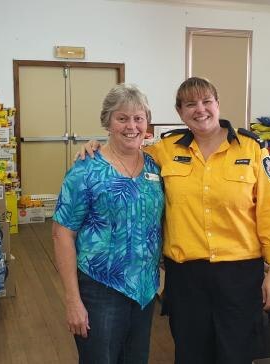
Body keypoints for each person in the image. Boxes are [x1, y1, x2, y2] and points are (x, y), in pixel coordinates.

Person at [79, 77, 270, 364]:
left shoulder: (251, 149)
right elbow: (126, 150)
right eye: (190, 104)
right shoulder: (166, 150)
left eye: (206, 102)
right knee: (190, 354)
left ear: (218, 105)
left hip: (239, 276)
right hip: (187, 278)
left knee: (236, 354)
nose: (200, 110)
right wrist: (96, 146)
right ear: (180, 112)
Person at [52, 84, 164, 364]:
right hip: (100, 289)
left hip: (145, 289)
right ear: (108, 122)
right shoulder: (86, 170)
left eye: (138, 118)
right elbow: (61, 235)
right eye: (122, 118)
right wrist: (72, 300)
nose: (132, 126)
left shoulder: (155, 166)